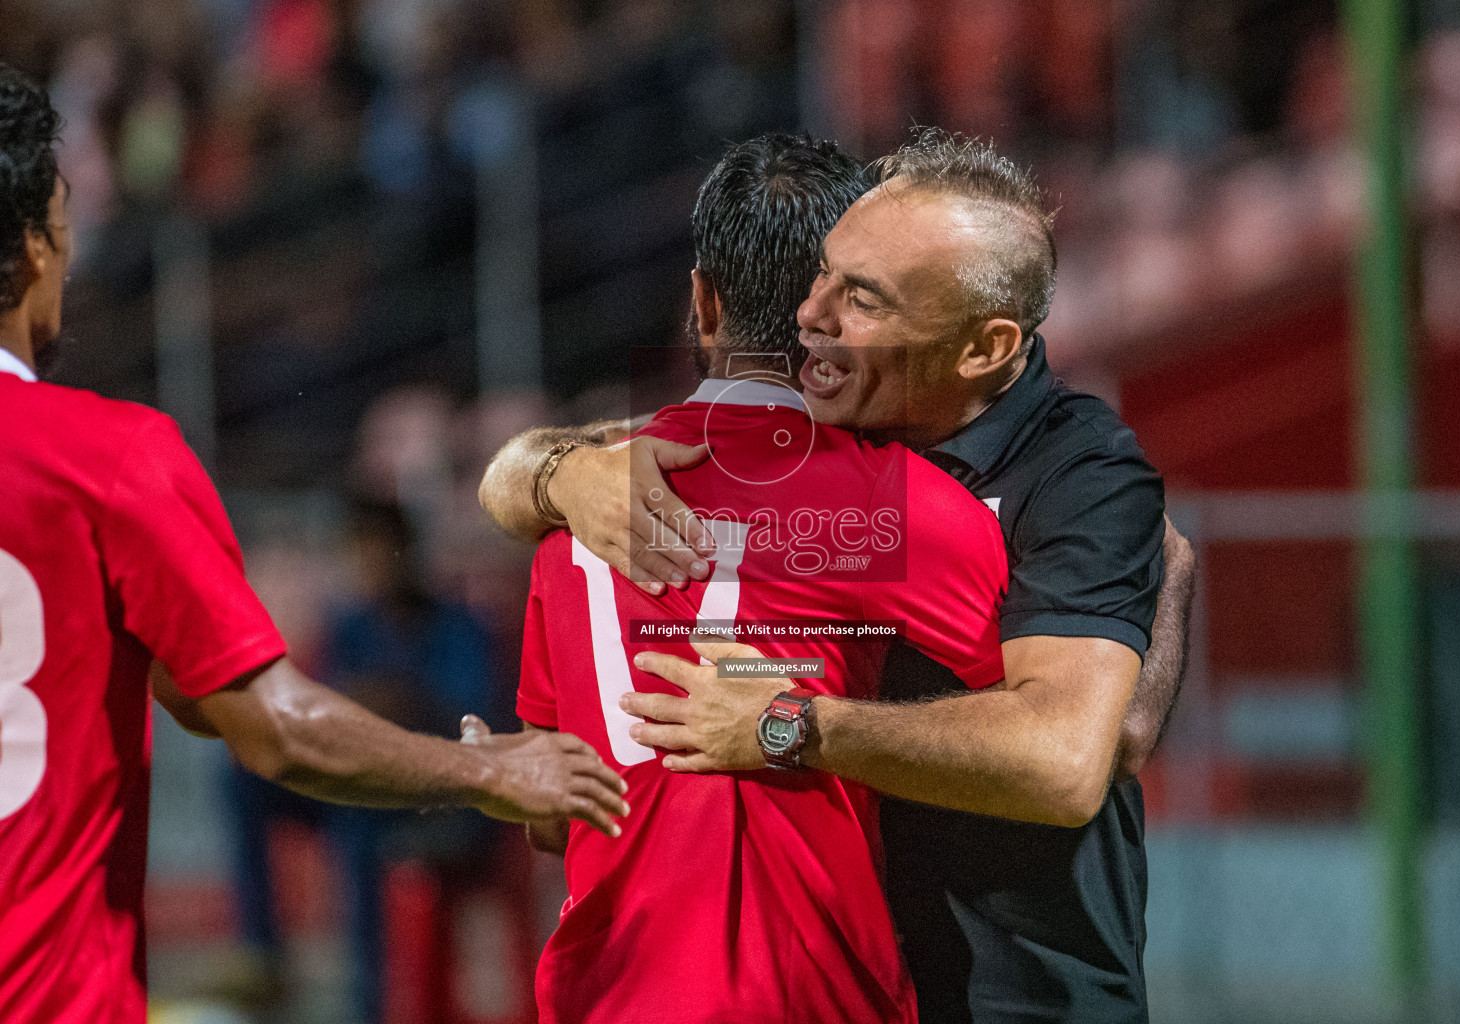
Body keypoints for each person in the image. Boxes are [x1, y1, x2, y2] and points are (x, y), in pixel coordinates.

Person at [480, 130, 1195, 1024]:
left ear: (983, 348)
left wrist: (784, 724)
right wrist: (550, 474)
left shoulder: (1078, 472)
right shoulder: (822, 453)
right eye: (821, 274)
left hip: (1024, 992)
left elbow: (1075, 752)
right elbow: (747, 664)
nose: (810, 314)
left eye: (860, 296)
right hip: (857, 980)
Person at [0, 63, 627, 1024]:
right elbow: (276, 729)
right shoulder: (109, 459)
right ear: (36, 248)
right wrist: (492, 769)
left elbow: (192, 694)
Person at [511, 133, 1011, 1023]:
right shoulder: (896, 509)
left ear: (702, 300)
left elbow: (549, 817)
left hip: (607, 995)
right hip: (808, 993)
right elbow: (1031, 737)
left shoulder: (571, 524)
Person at [225, 499, 501, 1022]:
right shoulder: (349, 626)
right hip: (366, 784)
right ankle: (263, 954)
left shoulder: (458, 624)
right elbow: (326, 708)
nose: (368, 564)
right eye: (358, 552)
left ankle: (367, 1004)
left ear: (407, 552)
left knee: (357, 819)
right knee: (243, 777)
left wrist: (402, 700)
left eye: (378, 550)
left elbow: (479, 718)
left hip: (444, 793)